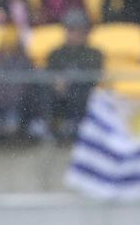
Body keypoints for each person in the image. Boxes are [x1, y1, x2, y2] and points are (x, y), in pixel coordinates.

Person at [44, 9, 103, 141]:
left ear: (85, 32)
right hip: (58, 91)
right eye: (70, 30)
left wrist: (70, 80)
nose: (72, 34)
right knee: (42, 89)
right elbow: (48, 73)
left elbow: (93, 76)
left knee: (81, 91)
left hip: (82, 91)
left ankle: (75, 125)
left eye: (76, 30)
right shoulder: (55, 53)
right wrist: (56, 81)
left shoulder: (94, 53)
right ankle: (46, 125)